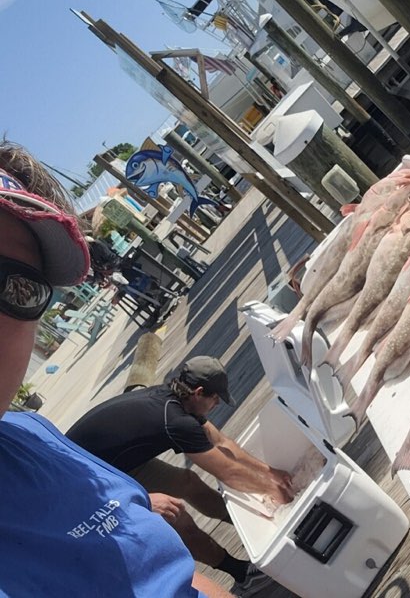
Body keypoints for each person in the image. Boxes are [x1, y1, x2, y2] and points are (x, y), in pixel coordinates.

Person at [0, 140, 232, 597]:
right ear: (199, 395)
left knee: (177, 493)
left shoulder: (30, 433)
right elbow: (226, 459)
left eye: (19, 288)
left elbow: (167, 571)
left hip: (125, 473)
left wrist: (139, 507)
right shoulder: (174, 417)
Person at [67, 355, 295, 596]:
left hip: (116, 462)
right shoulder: (175, 420)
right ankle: (241, 573)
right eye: (215, 399)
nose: (216, 404)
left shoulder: (179, 396)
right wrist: (277, 495)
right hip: (88, 482)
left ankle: (251, 528)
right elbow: (227, 471)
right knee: (175, 515)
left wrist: (271, 474)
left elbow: (222, 442)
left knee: (189, 483)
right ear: (198, 392)